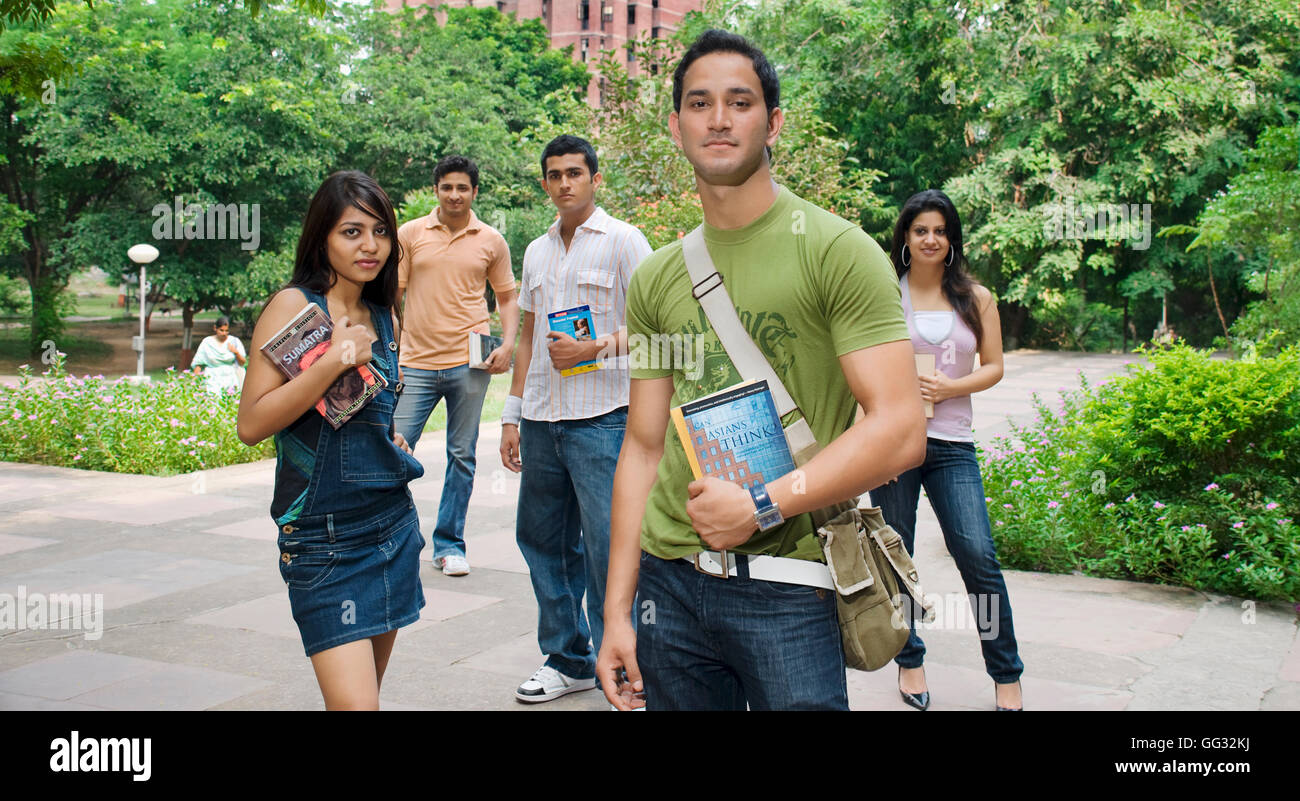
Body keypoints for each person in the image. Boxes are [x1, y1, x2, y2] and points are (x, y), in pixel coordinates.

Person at [595, 29, 927, 711]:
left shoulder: (838, 251)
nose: (718, 118)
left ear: (773, 122)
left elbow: (899, 428)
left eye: (739, 102)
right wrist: (617, 610)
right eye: (699, 102)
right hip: (670, 587)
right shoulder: (656, 278)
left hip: (791, 583)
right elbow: (643, 443)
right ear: (677, 124)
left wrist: (763, 504)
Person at [236, 170, 426, 711]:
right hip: (324, 540)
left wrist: (390, 439)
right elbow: (251, 424)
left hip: (391, 526)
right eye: (351, 232)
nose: (370, 246)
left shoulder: (384, 313)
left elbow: (370, 405)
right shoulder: (294, 307)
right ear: (322, 236)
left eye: (381, 232)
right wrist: (332, 362)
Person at [499, 134, 652, 703]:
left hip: (603, 419)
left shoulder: (623, 241)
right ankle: (568, 658)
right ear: (545, 183)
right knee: (542, 540)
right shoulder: (537, 250)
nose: (565, 182)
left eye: (575, 173)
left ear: (594, 179)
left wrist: (596, 349)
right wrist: (512, 416)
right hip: (542, 420)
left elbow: (656, 328)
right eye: (555, 174)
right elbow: (531, 336)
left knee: (609, 545)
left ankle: (626, 659)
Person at [869, 189, 1025, 711]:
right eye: (920, 231)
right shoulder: (885, 294)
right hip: (893, 442)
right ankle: (909, 662)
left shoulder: (975, 298)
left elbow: (994, 365)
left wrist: (950, 388)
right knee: (896, 555)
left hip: (953, 446)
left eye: (940, 230)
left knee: (978, 555)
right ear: (906, 239)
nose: (930, 239)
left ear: (951, 239)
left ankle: (1007, 674)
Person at [393, 155, 518, 577]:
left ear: (474, 192)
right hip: (415, 360)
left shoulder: (491, 239)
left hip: (472, 359)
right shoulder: (410, 234)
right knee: (393, 450)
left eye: (462, 187)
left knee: (462, 455)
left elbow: (506, 297)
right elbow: (394, 294)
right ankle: (393, 539)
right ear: (436, 190)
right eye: (447, 187)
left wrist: (509, 343)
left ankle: (449, 546)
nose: (454, 194)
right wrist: (391, 347)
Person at [190, 316, 246, 395]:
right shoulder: (207, 342)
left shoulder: (234, 341)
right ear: (215, 328)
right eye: (221, 330)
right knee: (214, 401)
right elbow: (198, 362)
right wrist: (194, 381)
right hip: (212, 377)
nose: (224, 333)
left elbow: (242, 362)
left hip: (230, 377)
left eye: (227, 331)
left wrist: (236, 352)